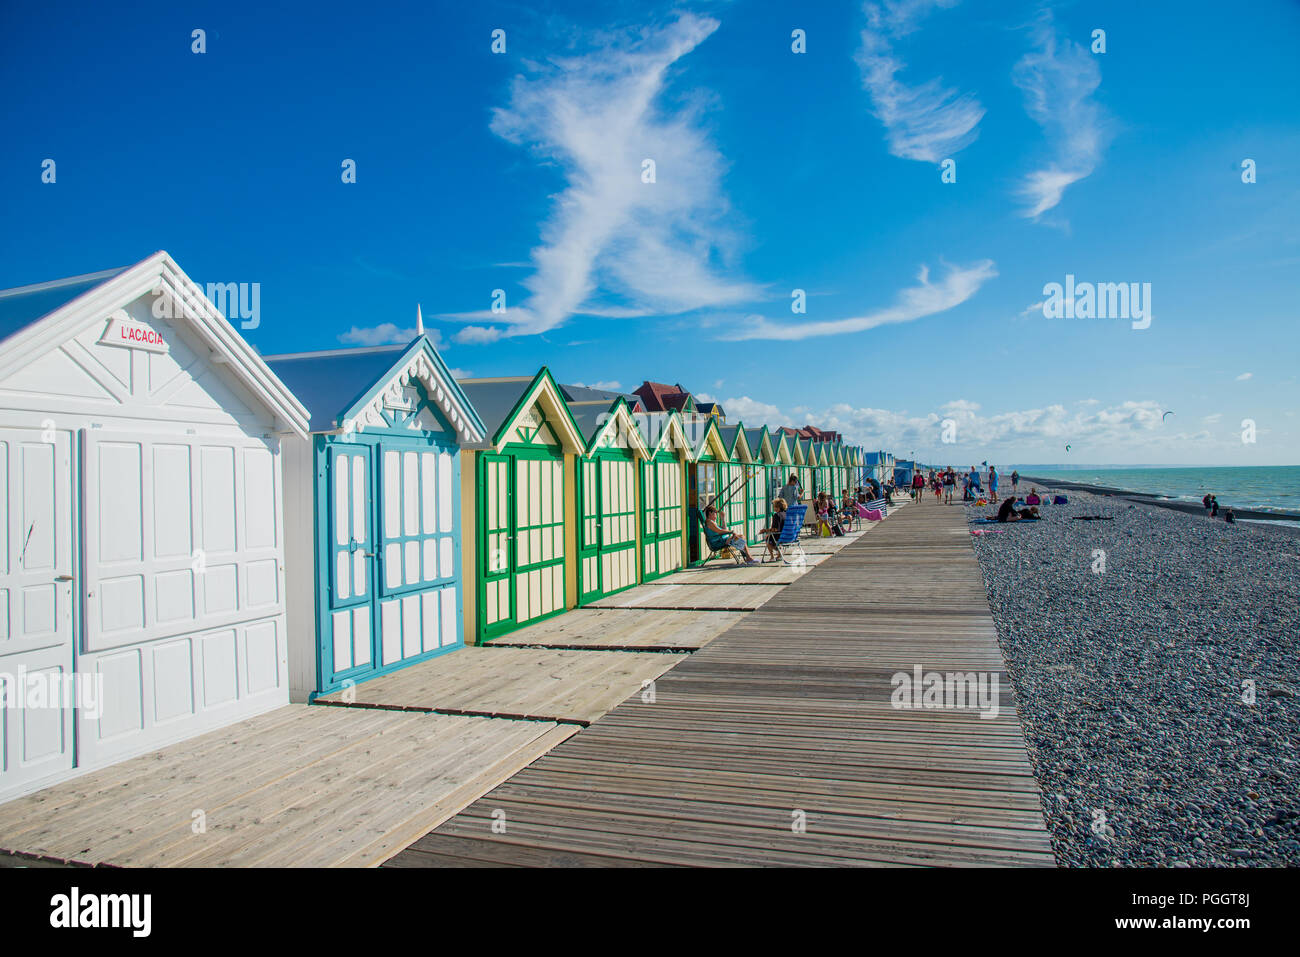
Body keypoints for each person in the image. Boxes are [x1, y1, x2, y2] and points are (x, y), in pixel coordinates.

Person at [762, 497, 788, 561]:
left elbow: (775, 529)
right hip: (787, 536)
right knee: (771, 537)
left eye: (774, 507)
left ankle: (772, 557)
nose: (774, 508)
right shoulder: (786, 514)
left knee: (767, 538)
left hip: (779, 536)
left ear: (778, 507)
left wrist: (765, 530)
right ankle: (779, 555)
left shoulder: (777, 515)